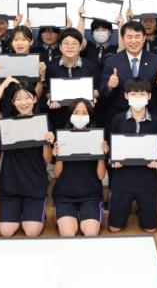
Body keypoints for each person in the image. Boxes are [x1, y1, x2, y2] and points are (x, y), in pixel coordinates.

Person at [0, 77, 54, 237]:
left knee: (32, 231)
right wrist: (4, 84)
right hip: (11, 185)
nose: (23, 102)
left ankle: (37, 213)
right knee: (6, 231)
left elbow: (47, 160)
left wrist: (47, 142)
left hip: (34, 184)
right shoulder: (8, 122)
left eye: (27, 97)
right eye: (18, 99)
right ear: (13, 102)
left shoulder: (43, 123)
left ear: (35, 99)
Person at [107, 78, 157, 233]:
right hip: (122, 176)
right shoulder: (117, 120)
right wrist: (113, 159)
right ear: (126, 95)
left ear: (149, 96)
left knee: (150, 228)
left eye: (142, 94)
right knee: (114, 228)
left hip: (146, 175)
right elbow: (112, 145)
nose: (138, 98)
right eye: (133, 94)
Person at [52, 99, 108, 236]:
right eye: (76, 112)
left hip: (90, 195)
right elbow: (57, 174)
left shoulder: (97, 138)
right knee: (68, 234)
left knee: (90, 233)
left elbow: (101, 176)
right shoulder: (63, 138)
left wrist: (102, 155)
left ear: (90, 116)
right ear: (70, 115)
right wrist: (59, 156)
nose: (80, 116)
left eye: (84, 113)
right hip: (65, 195)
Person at [99, 21, 157, 126]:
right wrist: (109, 86)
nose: (133, 41)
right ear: (123, 39)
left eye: (137, 37)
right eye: (129, 37)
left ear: (144, 38)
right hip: (120, 118)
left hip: (148, 118)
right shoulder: (112, 61)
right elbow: (102, 92)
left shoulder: (156, 61)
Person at [46, 28, 101, 128]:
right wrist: (52, 99)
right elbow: (48, 92)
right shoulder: (51, 67)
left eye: (74, 43)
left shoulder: (91, 66)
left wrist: (91, 96)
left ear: (80, 47)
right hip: (60, 115)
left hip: (84, 117)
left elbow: (97, 91)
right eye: (66, 43)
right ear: (60, 47)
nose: (70, 47)